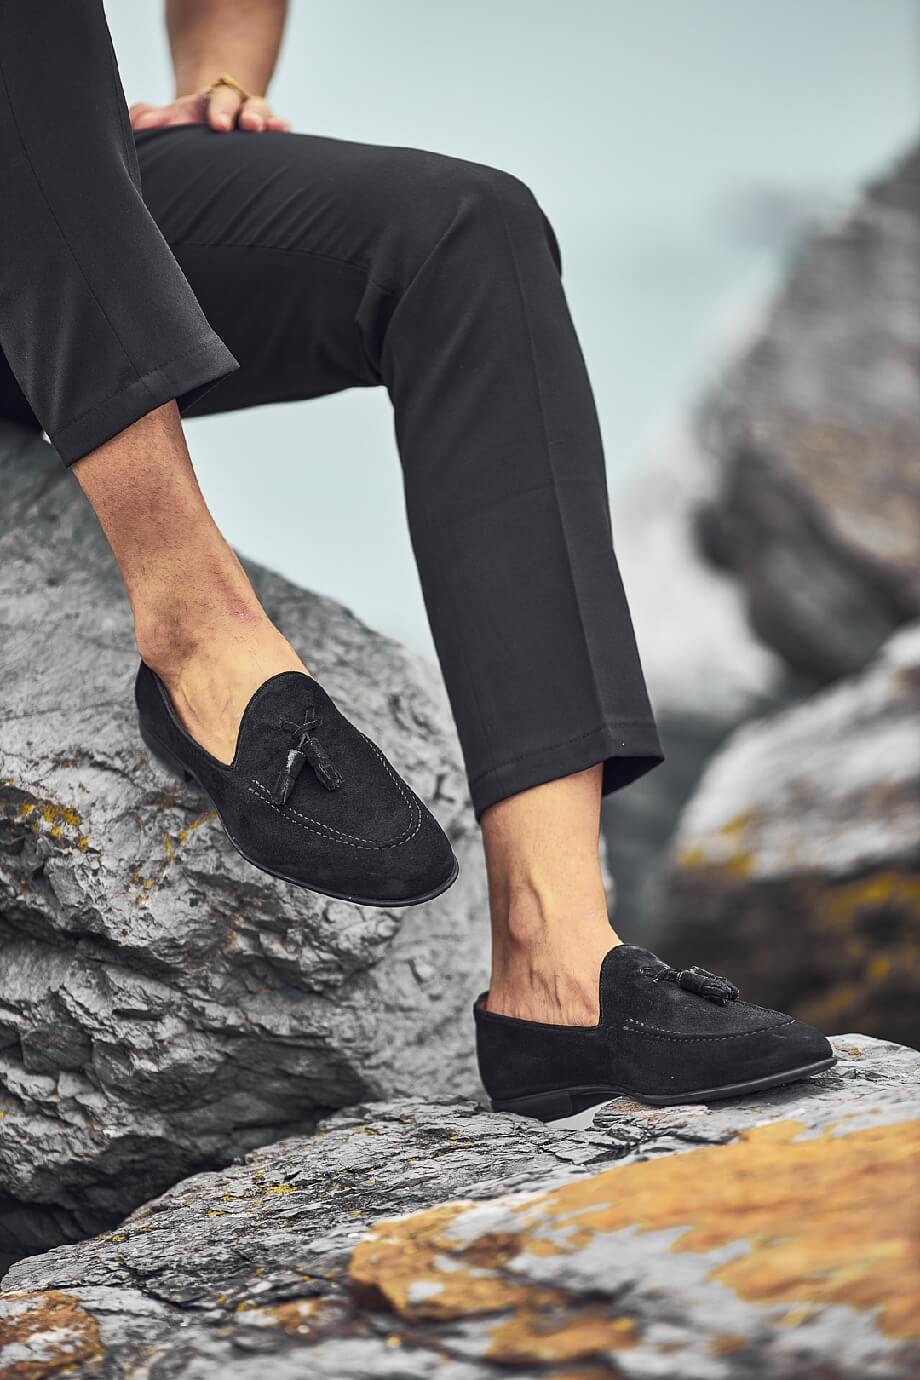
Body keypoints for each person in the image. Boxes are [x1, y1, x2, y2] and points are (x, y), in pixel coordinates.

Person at [0, 0, 833, 1118]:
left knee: (462, 228)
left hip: (55, 198)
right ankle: (197, 625)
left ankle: (556, 961)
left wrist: (221, 82)